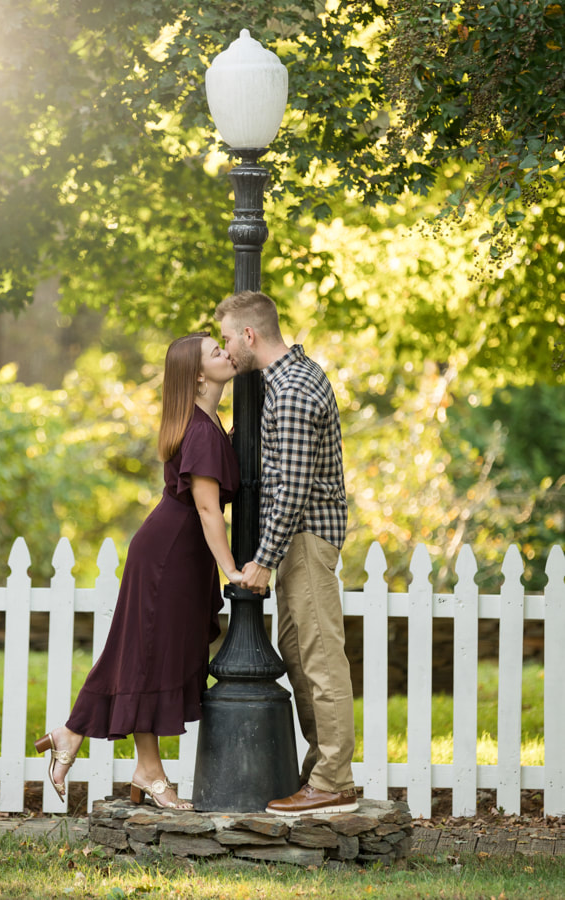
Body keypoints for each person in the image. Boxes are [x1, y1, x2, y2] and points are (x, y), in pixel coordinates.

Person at [35, 332, 241, 810]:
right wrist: (230, 568)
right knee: (147, 658)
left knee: (140, 654)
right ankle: (147, 770)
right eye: (216, 352)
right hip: (168, 555)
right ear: (196, 375)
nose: (227, 354)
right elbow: (209, 511)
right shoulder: (199, 430)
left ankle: (70, 733)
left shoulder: (207, 422)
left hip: (176, 554)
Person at [215, 290, 358, 817]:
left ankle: (334, 781)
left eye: (229, 338)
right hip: (296, 540)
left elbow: (294, 487)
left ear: (250, 335)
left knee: (320, 659)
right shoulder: (284, 381)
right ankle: (322, 772)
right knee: (300, 657)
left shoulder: (294, 390)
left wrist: (264, 559)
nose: (228, 349)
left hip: (303, 539)